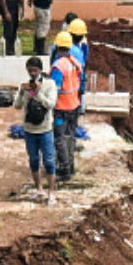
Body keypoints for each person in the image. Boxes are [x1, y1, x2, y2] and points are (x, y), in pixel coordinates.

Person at [14, 56, 57, 198]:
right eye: (30, 71)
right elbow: (17, 106)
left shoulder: (49, 85)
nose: (32, 73)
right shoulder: (26, 86)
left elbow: (50, 104)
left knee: (49, 161)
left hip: (45, 129)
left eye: (35, 70)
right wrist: (21, 93)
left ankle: (52, 191)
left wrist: (37, 93)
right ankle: (39, 188)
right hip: (29, 129)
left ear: (40, 70)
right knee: (33, 160)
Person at [50, 38, 85, 181]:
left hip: (61, 108)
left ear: (57, 47)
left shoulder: (58, 66)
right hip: (74, 106)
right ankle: (70, 165)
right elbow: (81, 85)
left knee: (60, 139)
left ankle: (64, 170)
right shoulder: (75, 63)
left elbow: (55, 89)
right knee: (70, 137)